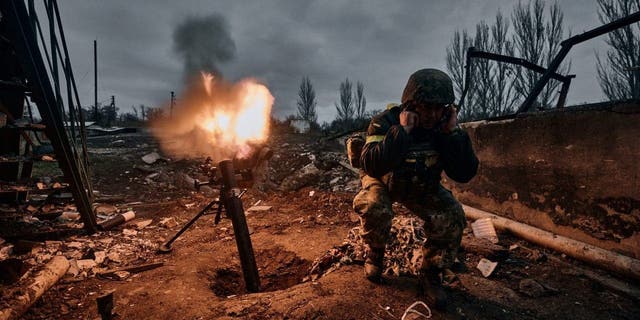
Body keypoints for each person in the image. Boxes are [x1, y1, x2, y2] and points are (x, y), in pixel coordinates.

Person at [353, 68, 478, 308]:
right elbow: (371, 165)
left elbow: (464, 173)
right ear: (410, 105)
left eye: (438, 107)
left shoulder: (444, 128)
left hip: (421, 184)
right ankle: (375, 253)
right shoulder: (385, 121)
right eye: (425, 107)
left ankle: (431, 275)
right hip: (383, 181)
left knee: (452, 215)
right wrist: (401, 132)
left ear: (447, 108)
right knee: (374, 206)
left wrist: (453, 135)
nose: (431, 114)